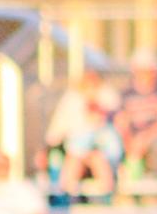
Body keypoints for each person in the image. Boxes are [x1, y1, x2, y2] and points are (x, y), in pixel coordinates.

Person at [45, 70, 123, 199]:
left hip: (99, 152)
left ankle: (105, 196)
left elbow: (112, 135)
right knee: (75, 159)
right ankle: (66, 195)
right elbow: (58, 130)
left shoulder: (106, 110)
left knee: (96, 159)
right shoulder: (72, 102)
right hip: (78, 152)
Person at [116, 53, 157, 182]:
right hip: (133, 141)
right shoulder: (126, 94)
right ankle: (129, 184)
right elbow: (121, 122)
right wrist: (129, 141)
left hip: (154, 138)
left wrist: (145, 138)